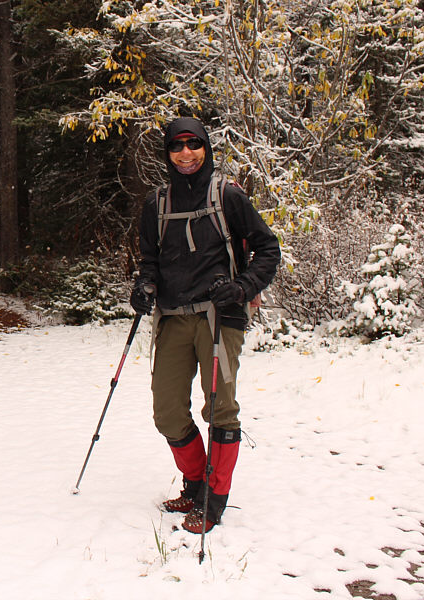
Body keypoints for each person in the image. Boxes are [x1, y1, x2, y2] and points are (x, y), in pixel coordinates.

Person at [130, 117, 281, 533]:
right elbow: (150, 261)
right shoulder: (156, 204)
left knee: (220, 408)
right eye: (176, 146)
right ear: (167, 152)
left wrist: (242, 287)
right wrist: (145, 285)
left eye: (193, 144)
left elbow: (268, 248)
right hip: (174, 317)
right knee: (167, 412)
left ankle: (214, 499)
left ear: (205, 147)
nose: (185, 153)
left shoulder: (228, 195)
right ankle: (194, 483)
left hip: (220, 317)